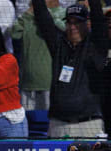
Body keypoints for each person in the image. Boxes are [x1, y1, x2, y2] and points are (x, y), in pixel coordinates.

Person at [33, 0, 108, 138]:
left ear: (87, 23)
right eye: (69, 22)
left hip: (88, 125)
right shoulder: (59, 44)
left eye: (77, 22)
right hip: (58, 125)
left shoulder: (96, 46)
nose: (73, 27)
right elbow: (42, 17)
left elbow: (98, 18)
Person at [11, 0, 66, 111]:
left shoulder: (63, 13)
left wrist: (48, 14)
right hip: (27, 83)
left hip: (48, 83)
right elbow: (14, 34)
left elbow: (65, 29)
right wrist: (27, 14)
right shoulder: (29, 17)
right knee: (28, 124)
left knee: (47, 123)